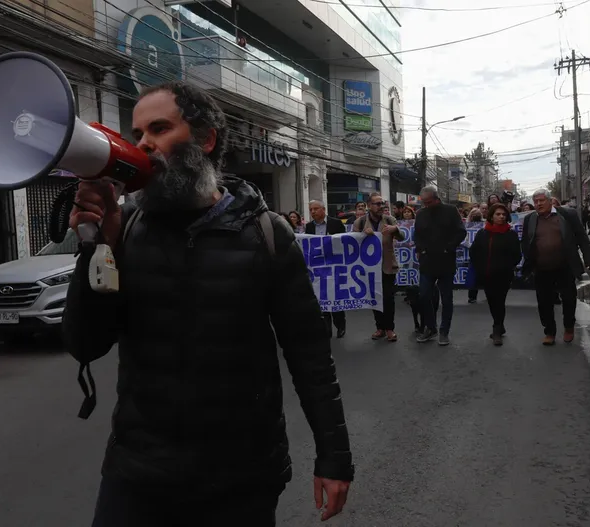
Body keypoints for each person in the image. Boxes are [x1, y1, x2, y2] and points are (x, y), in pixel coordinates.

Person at [63, 81, 353, 527]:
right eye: (138, 134)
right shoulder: (129, 227)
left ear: (206, 139)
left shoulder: (267, 235)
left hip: (240, 477)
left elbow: (310, 355)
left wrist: (334, 458)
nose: (143, 144)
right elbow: (86, 343)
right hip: (139, 473)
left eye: (159, 128)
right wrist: (98, 246)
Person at [521, 189, 590, 346]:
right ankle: (549, 332)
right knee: (544, 302)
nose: (538, 204)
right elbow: (526, 241)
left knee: (568, 298)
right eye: (536, 202)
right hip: (541, 268)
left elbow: (581, 235)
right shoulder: (530, 219)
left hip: (565, 266)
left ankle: (569, 327)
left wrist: (589, 256)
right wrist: (529, 261)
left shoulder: (567, 215)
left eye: (541, 200)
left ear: (549, 201)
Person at [413, 186, 467, 346]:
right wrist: (420, 249)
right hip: (427, 261)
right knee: (423, 296)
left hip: (445, 261)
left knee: (447, 299)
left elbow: (461, 232)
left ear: (437, 198)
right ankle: (431, 327)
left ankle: (444, 331)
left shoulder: (451, 211)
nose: (426, 205)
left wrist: (448, 247)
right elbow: (417, 234)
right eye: (423, 202)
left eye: (429, 202)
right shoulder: (421, 214)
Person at [353, 192, 404, 341]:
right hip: (369, 268)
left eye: (382, 203)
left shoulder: (389, 219)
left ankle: (390, 329)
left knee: (388, 298)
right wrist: (363, 234)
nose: (381, 206)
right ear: (369, 206)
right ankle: (379, 327)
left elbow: (402, 237)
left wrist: (395, 230)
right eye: (377, 204)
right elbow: (353, 243)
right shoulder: (360, 222)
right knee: (374, 298)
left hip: (387, 266)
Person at [471, 203, 522, 346]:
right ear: (491, 216)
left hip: (503, 275)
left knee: (499, 301)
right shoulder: (483, 233)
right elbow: (474, 252)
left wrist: (506, 266)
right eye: (498, 214)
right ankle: (500, 324)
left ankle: (497, 330)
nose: (501, 217)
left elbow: (517, 255)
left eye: (503, 214)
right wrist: (479, 267)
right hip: (486, 275)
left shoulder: (510, 234)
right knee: (492, 301)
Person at [305, 200, 348, 337]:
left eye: (316, 209)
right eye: (311, 209)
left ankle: (340, 324)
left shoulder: (336, 223)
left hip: (334, 265)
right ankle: (326, 328)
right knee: (322, 297)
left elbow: (344, 242)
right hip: (318, 267)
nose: (313, 212)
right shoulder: (308, 227)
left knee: (334, 297)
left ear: (323, 209)